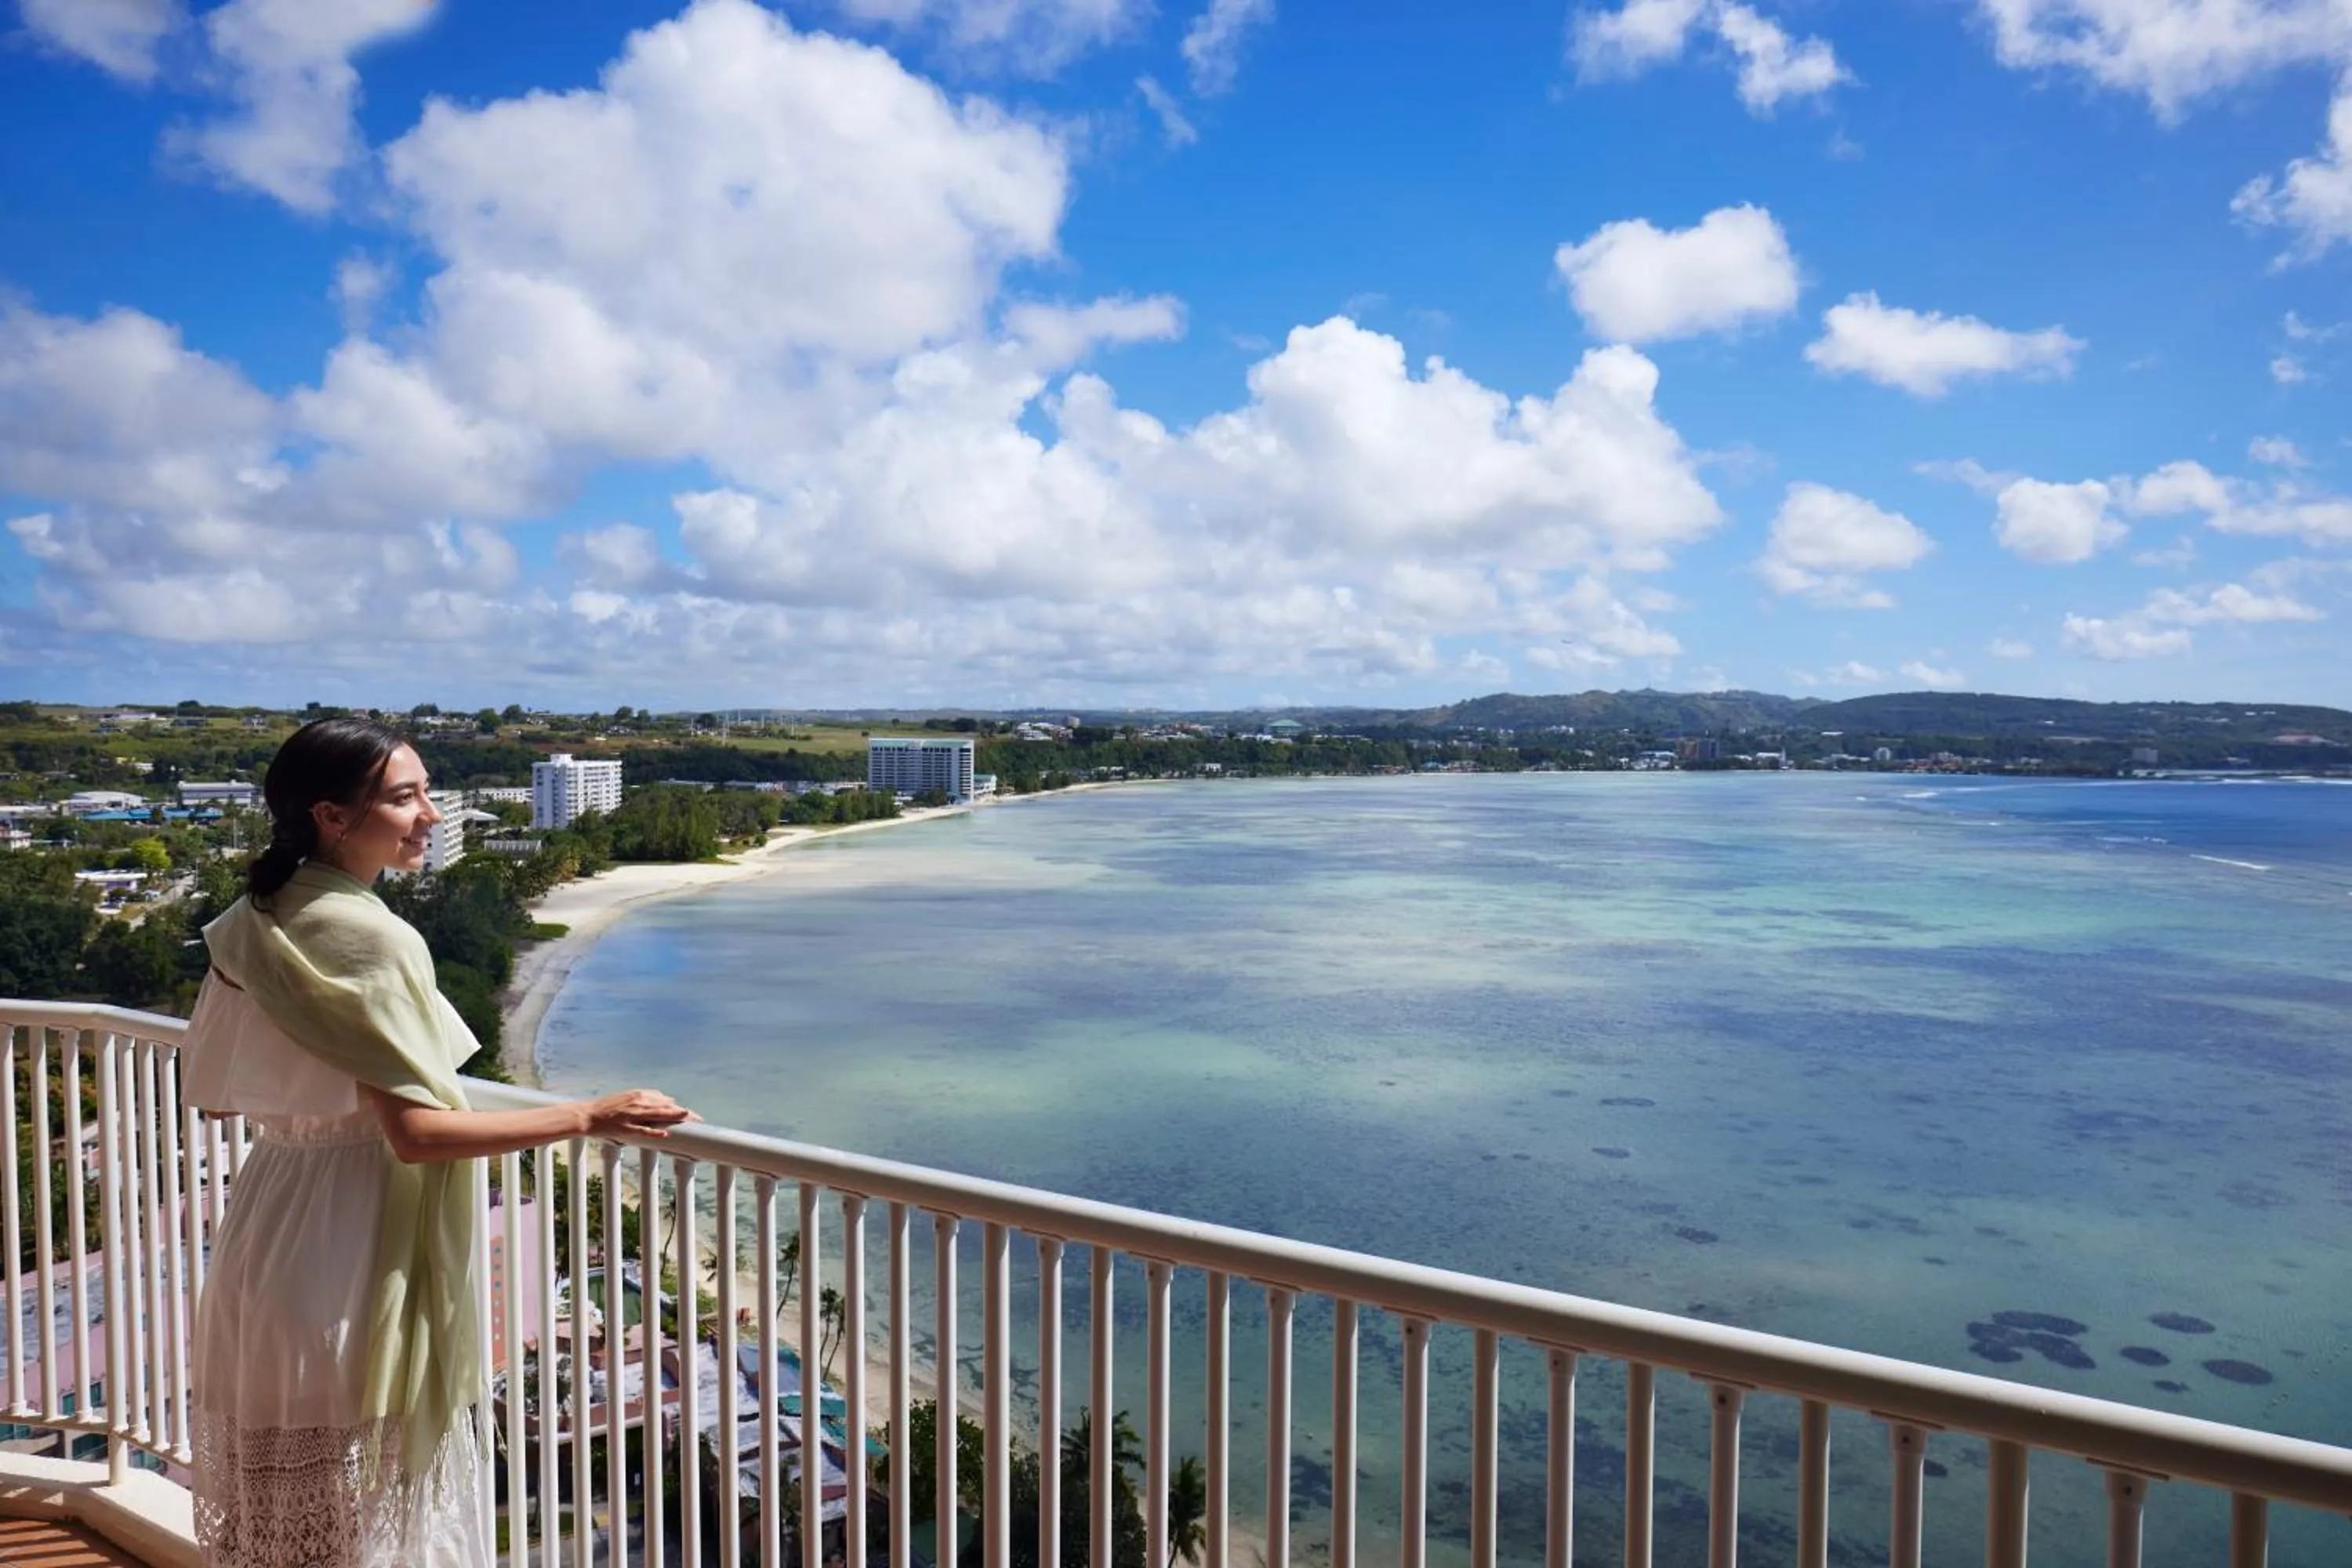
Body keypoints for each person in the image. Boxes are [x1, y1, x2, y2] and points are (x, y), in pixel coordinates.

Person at [182, 717, 695, 1567]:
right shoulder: (372, 937)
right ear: (333, 816)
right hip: (347, 1253)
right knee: (359, 1528)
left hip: (267, 1228)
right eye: (405, 796)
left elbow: (214, 1091)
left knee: (276, 1526)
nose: (432, 813)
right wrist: (589, 1115)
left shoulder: (255, 915)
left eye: (428, 791)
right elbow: (417, 1134)